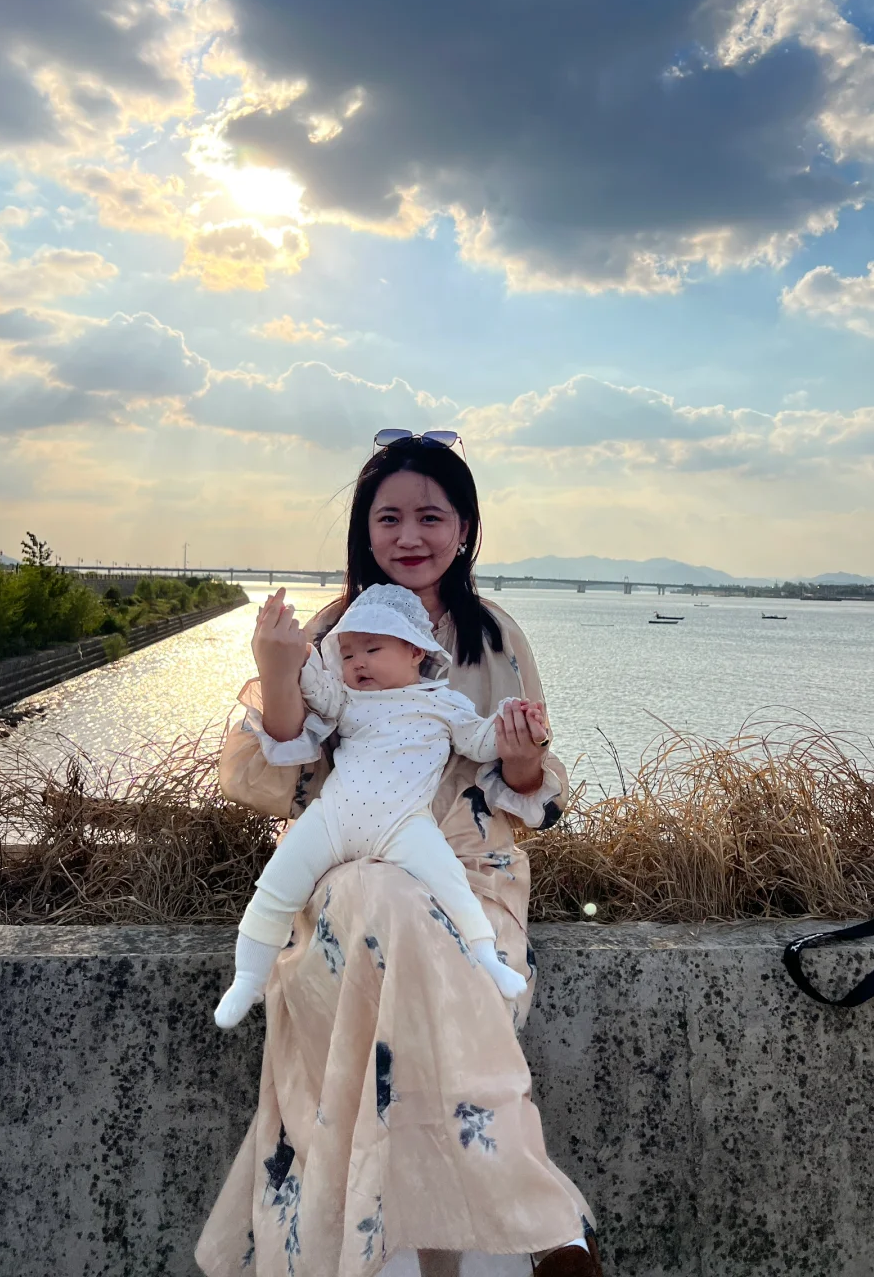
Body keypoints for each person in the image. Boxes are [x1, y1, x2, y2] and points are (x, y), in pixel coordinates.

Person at [196, 432, 603, 1277]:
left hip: (467, 875)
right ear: (364, 529)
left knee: (418, 926)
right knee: (382, 901)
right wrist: (278, 675)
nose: (409, 536)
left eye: (431, 516)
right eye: (389, 518)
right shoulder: (332, 633)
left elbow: (532, 787)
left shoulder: (495, 637)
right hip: (345, 880)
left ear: (465, 527)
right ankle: (537, 1219)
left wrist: (522, 759)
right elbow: (275, 785)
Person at [214, 582, 546, 1025]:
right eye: (348, 654)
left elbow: (481, 741)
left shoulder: (445, 704)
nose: (358, 663)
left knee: (453, 890)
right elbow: (316, 687)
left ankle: (488, 959)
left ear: (415, 652)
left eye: (372, 649)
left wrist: (514, 724)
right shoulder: (347, 699)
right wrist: (295, 655)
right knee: (274, 889)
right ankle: (248, 978)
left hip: (404, 825)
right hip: (332, 820)